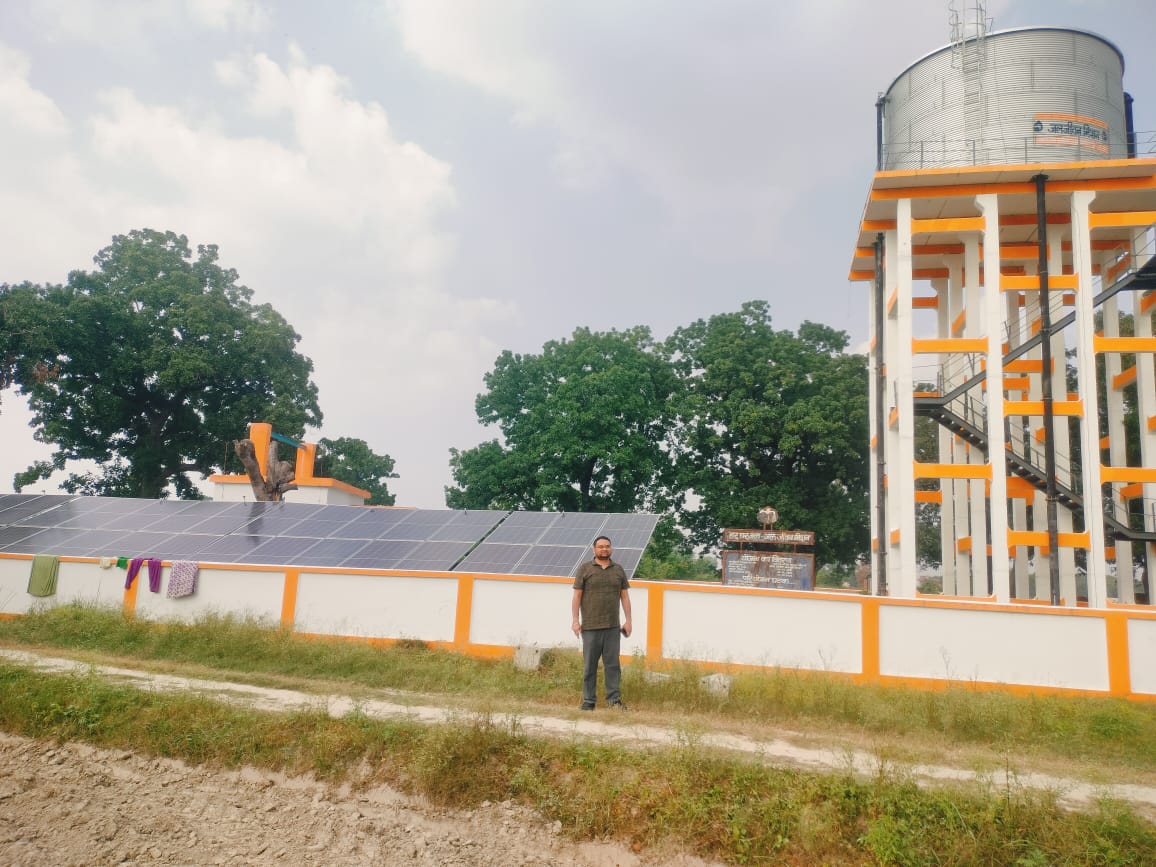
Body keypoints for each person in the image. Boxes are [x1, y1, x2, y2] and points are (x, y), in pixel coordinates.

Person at [571, 535, 632, 710]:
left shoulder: (618, 570)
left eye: (607, 546)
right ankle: (589, 701)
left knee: (613, 666)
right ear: (594, 549)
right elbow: (577, 596)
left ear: (611, 548)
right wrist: (575, 620)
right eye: (600, 546)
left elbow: (625, 597)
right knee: (589, 666)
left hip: (613, 627)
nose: (604, 549)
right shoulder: (584, 569)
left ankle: (614, 701)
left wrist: (628, 621)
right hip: (590, 627)